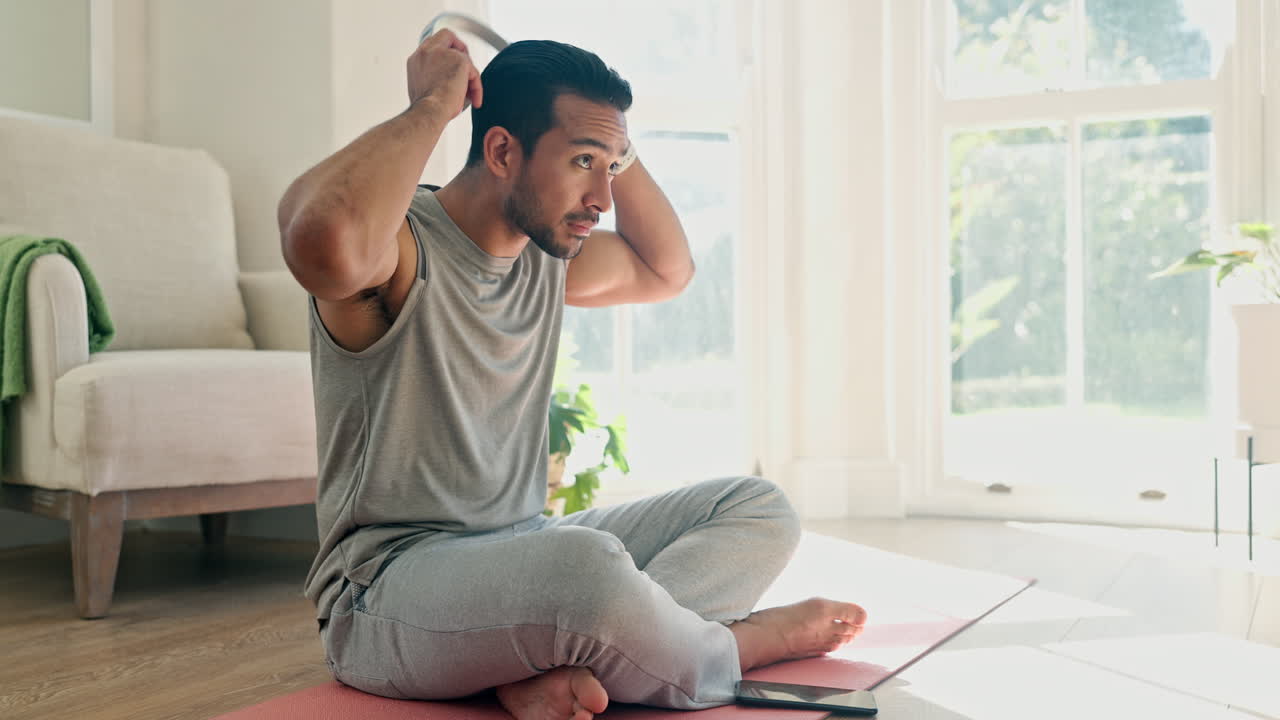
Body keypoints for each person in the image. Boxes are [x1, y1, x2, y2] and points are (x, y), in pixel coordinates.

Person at [278, 29, 868, 720]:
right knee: (586, 570)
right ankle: (732, 651)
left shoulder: (544, 255)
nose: (603, 197)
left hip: (522, 556)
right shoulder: (401, 250)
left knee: (757, 507)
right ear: (501, 150)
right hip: (386, 593)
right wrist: (434, 107)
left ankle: (535, 659)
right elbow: (321, 238)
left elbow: (666, 268)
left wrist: (618, 144)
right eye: (584, 161)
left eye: (610, 167)